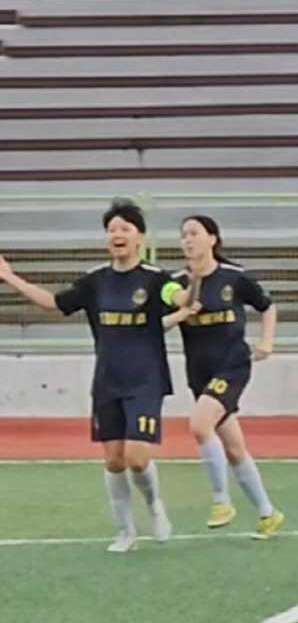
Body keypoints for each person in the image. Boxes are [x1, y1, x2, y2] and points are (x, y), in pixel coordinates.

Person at [0, 199, 193, 553]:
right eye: (111, 229)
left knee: (136, 457)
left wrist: (194, 284)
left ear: (140, 238)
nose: (117, 235)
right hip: (107, 381)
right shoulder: (95, 281)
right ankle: (125, 532)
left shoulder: (155, 279)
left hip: (145, 380)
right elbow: (53, 304)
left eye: (125, 229)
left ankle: (155, 507)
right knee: (114, 460)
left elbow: (178, 297)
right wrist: (9, 276)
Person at [163, 215, 284, 539]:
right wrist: (181, 313)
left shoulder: (235, 277)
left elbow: (267, 306)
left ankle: (221, 501)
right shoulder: (175, 284)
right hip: (198, 371)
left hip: (232, 365)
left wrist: (267, 341)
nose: (188, 240)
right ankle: (268, 513)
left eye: (194, 233)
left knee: (200, 425)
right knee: (233, 448)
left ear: (212, 239)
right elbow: (160, 321)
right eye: (184, 235)